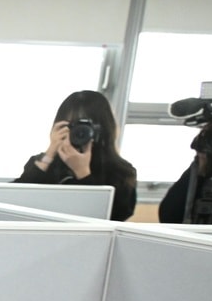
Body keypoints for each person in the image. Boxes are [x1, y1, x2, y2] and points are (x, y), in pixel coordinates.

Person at [13, 90, 137, 222]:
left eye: (85, 126)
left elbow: (119, 215)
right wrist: (49, 154)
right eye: (72, 125)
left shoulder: (120, 170)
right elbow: (15, 201)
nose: (79, 132)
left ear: (102, 129)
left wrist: (83, 173)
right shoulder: (44, 163)